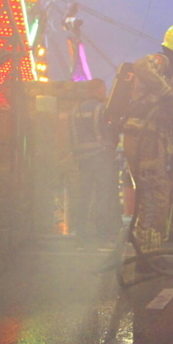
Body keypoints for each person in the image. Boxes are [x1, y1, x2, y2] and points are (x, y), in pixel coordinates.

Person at [122, 24, 173, 265]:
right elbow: (141, 65)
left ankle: (150, 253)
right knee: (152, 194)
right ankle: (146, 257)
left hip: (155, 140)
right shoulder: (162, 61)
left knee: (157, 195)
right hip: (145, 138)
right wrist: (167, 94)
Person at [69, 79, 119, 245]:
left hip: (82, 159)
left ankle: (81, 234)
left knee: (84, 196)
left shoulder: (75, 111)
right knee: (102, 196)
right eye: (103, 90)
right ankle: (102, 234)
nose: (105, 94)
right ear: (97, 90)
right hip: (100, 157)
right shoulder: (101, 109)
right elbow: (109, 132)